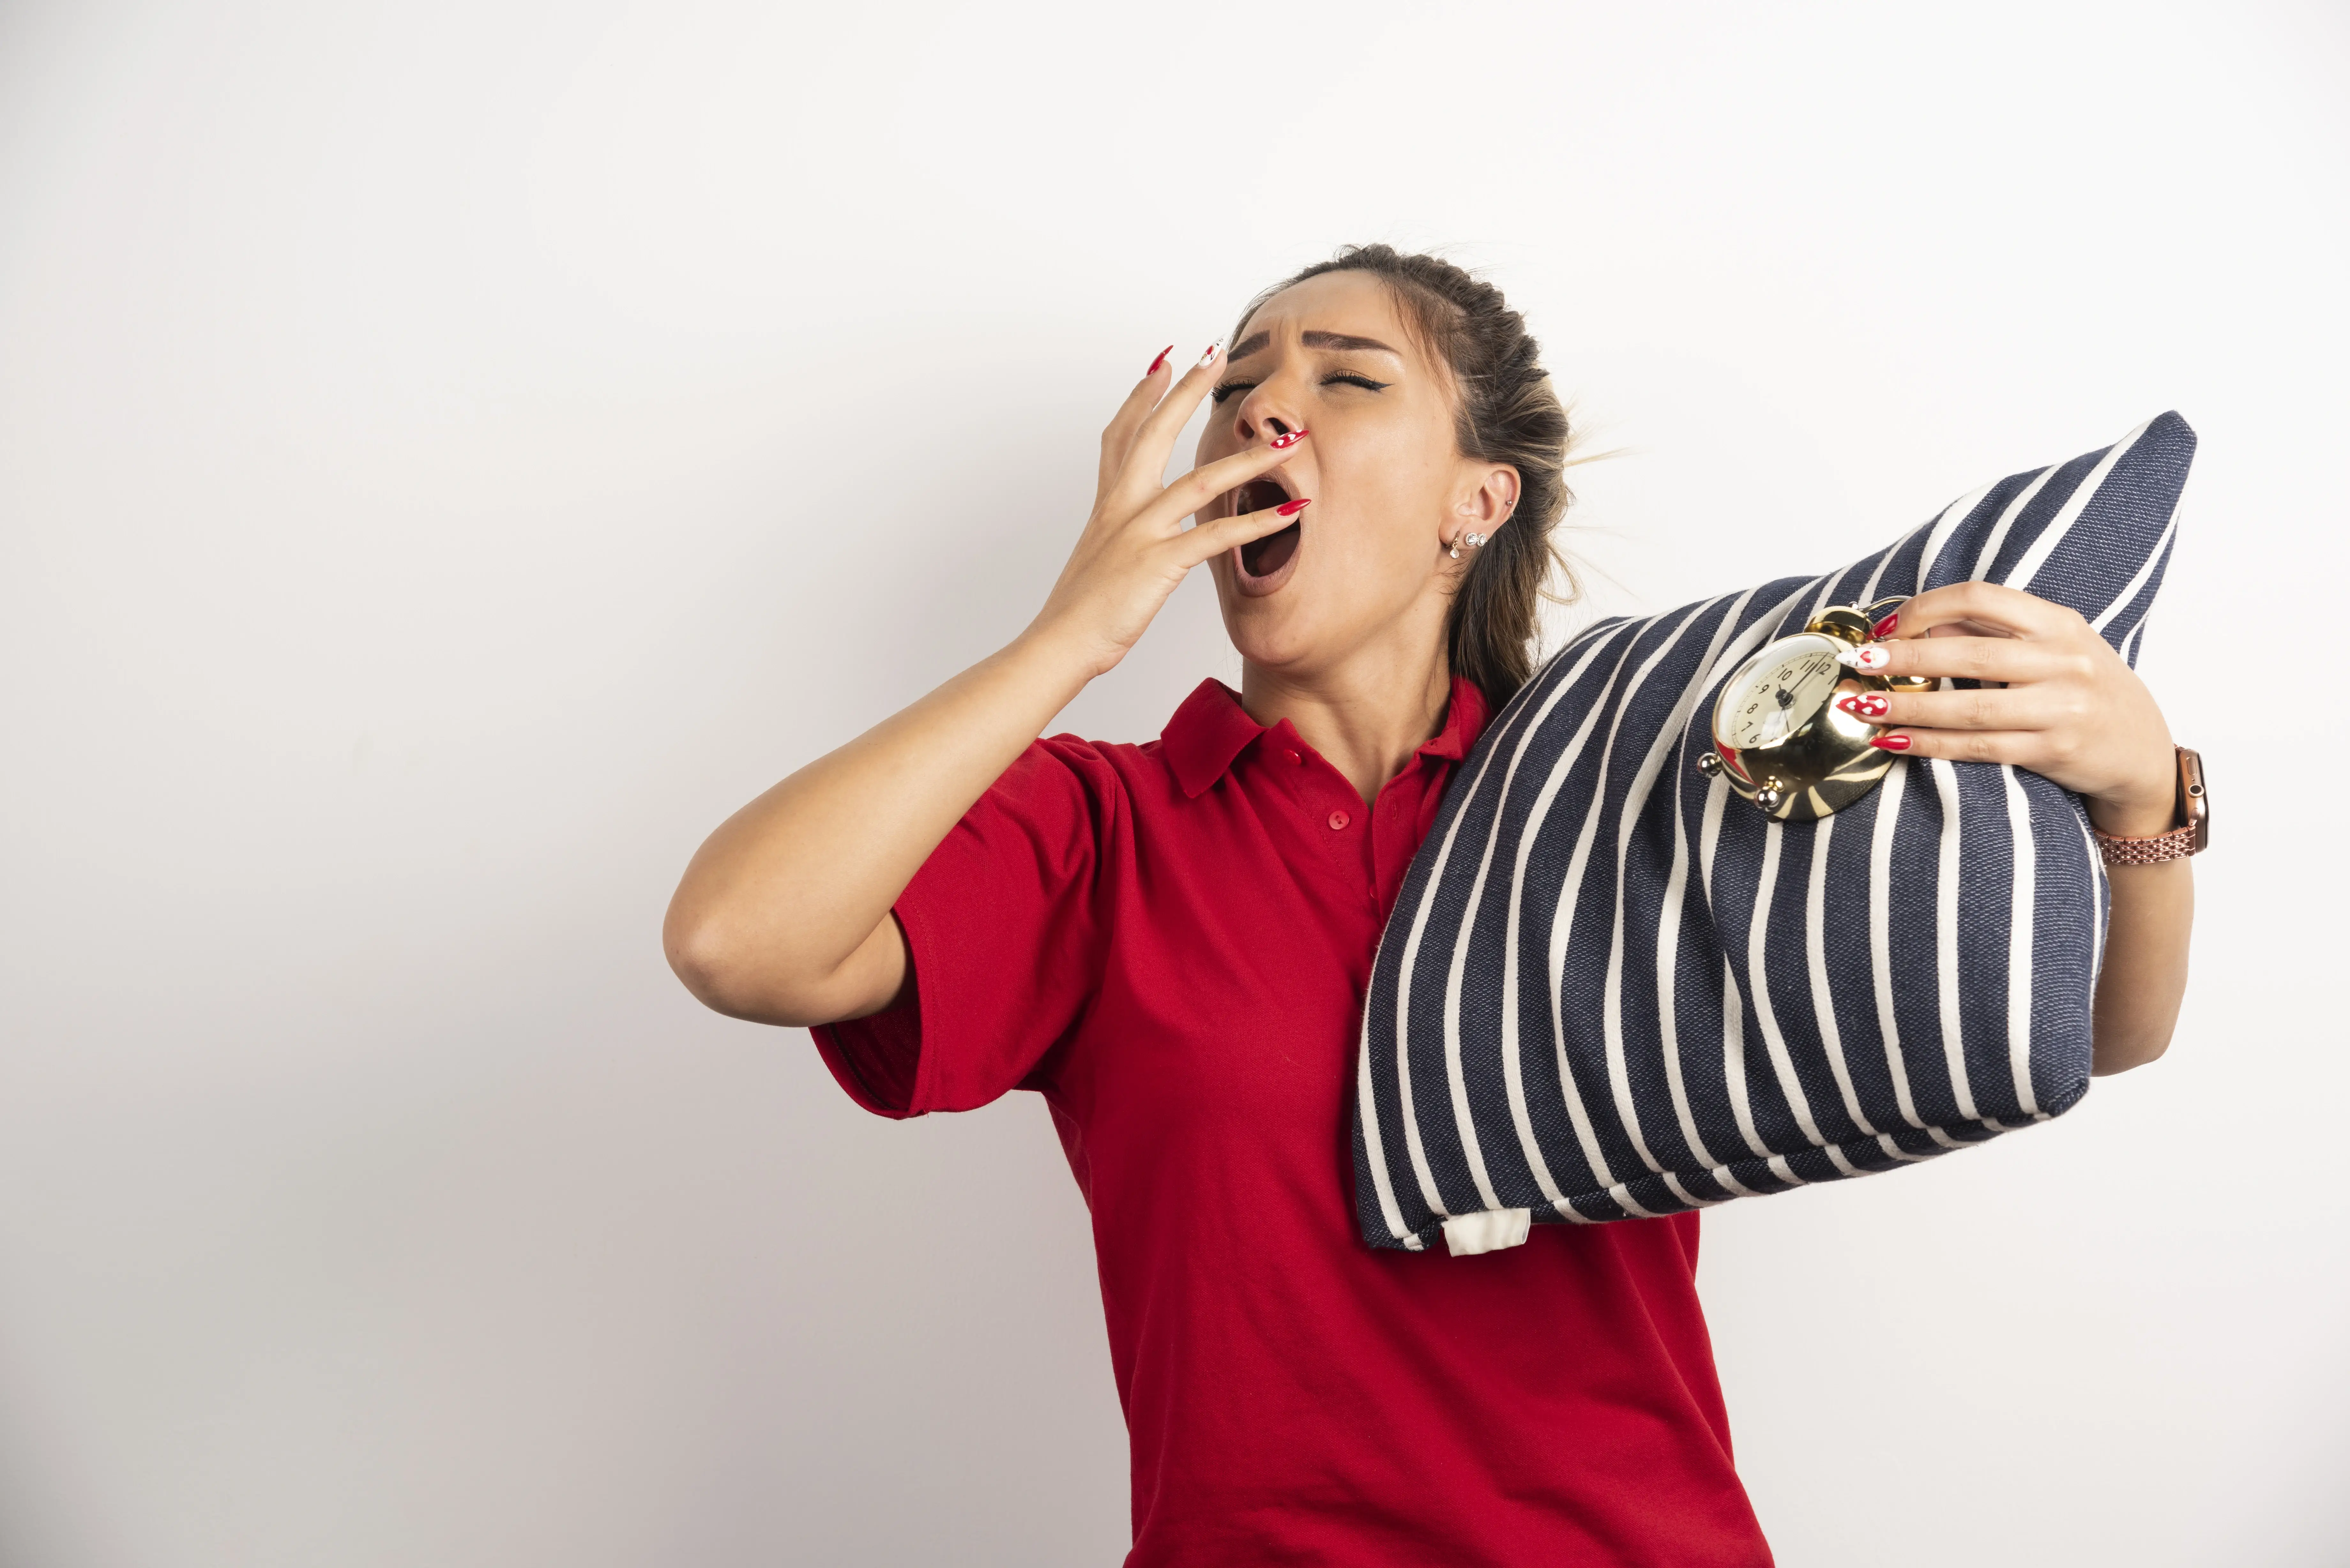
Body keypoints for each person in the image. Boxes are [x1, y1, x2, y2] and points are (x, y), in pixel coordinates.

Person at [662, 246, 2194, 1566]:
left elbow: (2086, 1038)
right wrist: (1072, 631)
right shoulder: (1104, 828)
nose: (1267, 405)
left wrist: (2141, 804)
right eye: (1241, 381)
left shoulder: (1623, 775)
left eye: (1348, 379)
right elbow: (741, 937)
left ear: (1479, 498)